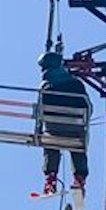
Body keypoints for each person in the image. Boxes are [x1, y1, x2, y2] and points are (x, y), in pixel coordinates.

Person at [38, 51, 89, 195]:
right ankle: (79, 177)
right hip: (74, 127)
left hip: (53, 128)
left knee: (50, 143)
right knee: (78, 146)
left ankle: (51, 176)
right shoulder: (76, 84)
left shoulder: (46, 86)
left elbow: (41, 111)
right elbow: (86, 106)